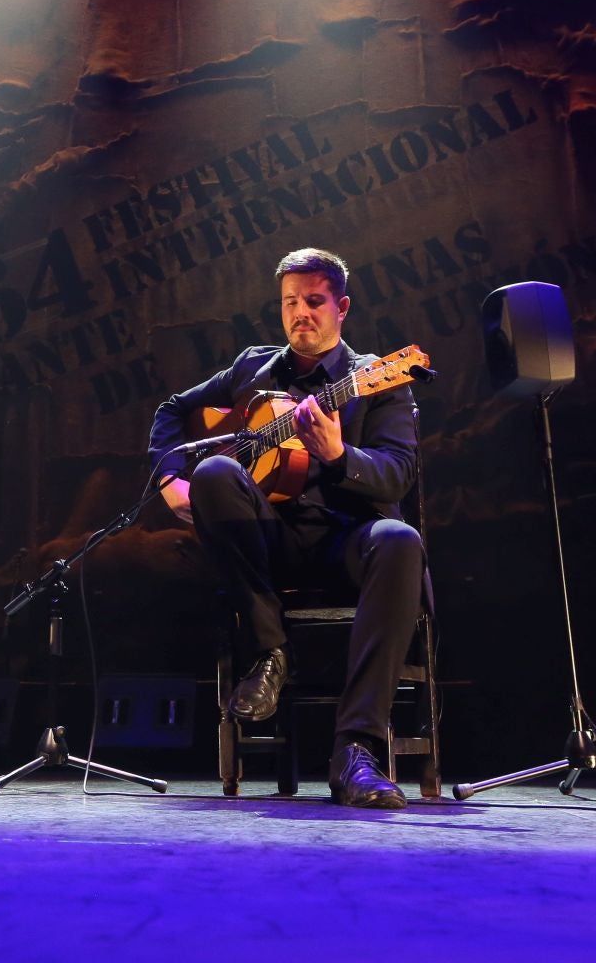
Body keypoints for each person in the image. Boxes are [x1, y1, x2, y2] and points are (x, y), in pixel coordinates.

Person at [149, 247, 425, 808]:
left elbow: (396, 476)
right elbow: (173, 412)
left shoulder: (376, 378)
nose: (302, 313)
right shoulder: (253, 369)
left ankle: (356, 752)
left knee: (400, 539)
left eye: (315, 302)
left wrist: (340, 454)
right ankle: (270, 652)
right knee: (219, 471)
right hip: (267, 542)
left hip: (346, 539)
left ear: (341, 307)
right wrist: (169, 481)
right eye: (290, 302)